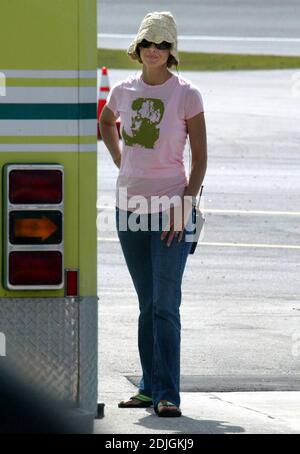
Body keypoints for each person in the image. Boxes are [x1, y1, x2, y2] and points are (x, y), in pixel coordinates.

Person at [100, 11, 207, 417]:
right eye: (149, 43)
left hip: (169, 211)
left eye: (163, 44)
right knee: (148, 304)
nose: (155, 51)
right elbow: (106, 120)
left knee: (165, 303)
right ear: (138, 48)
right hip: (128, 210)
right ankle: (148, 387)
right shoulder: (122, 92)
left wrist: (185, 202)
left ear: (171, 51)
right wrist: (119, 158)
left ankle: (167, 395)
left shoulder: (187, 94)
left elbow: (200, 158)